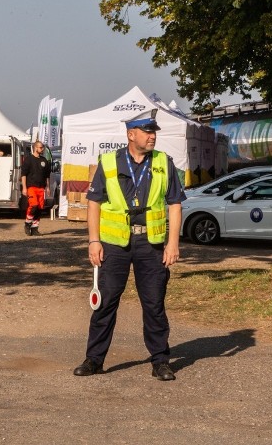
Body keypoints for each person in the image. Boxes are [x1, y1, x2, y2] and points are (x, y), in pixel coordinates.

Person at [73, 108, 185, 382]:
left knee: (154, 304)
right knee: (106, 303)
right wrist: (93, 241)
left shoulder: (164, 162)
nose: (152, 137)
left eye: (154, 132)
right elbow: (94, 202)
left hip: (152, 244)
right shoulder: (109, 162)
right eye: (147, 132)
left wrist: (173, 244)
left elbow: (175, 204)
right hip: (114, 245)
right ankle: (94, 359)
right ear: (130, 134)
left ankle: (160, 361)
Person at [21, 141, 50, 235]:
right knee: (34, 205)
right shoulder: (28, 159)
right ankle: (27, 223)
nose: (42, 149)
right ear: (35, 148)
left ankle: (35, 228)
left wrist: (48, 187)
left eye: (43, 147)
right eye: (40, 147)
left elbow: (47, 175)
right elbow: (23, 175)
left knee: (40, 208)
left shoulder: (44, 160)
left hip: (41, 187)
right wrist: (24, 188)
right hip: (31, 187)